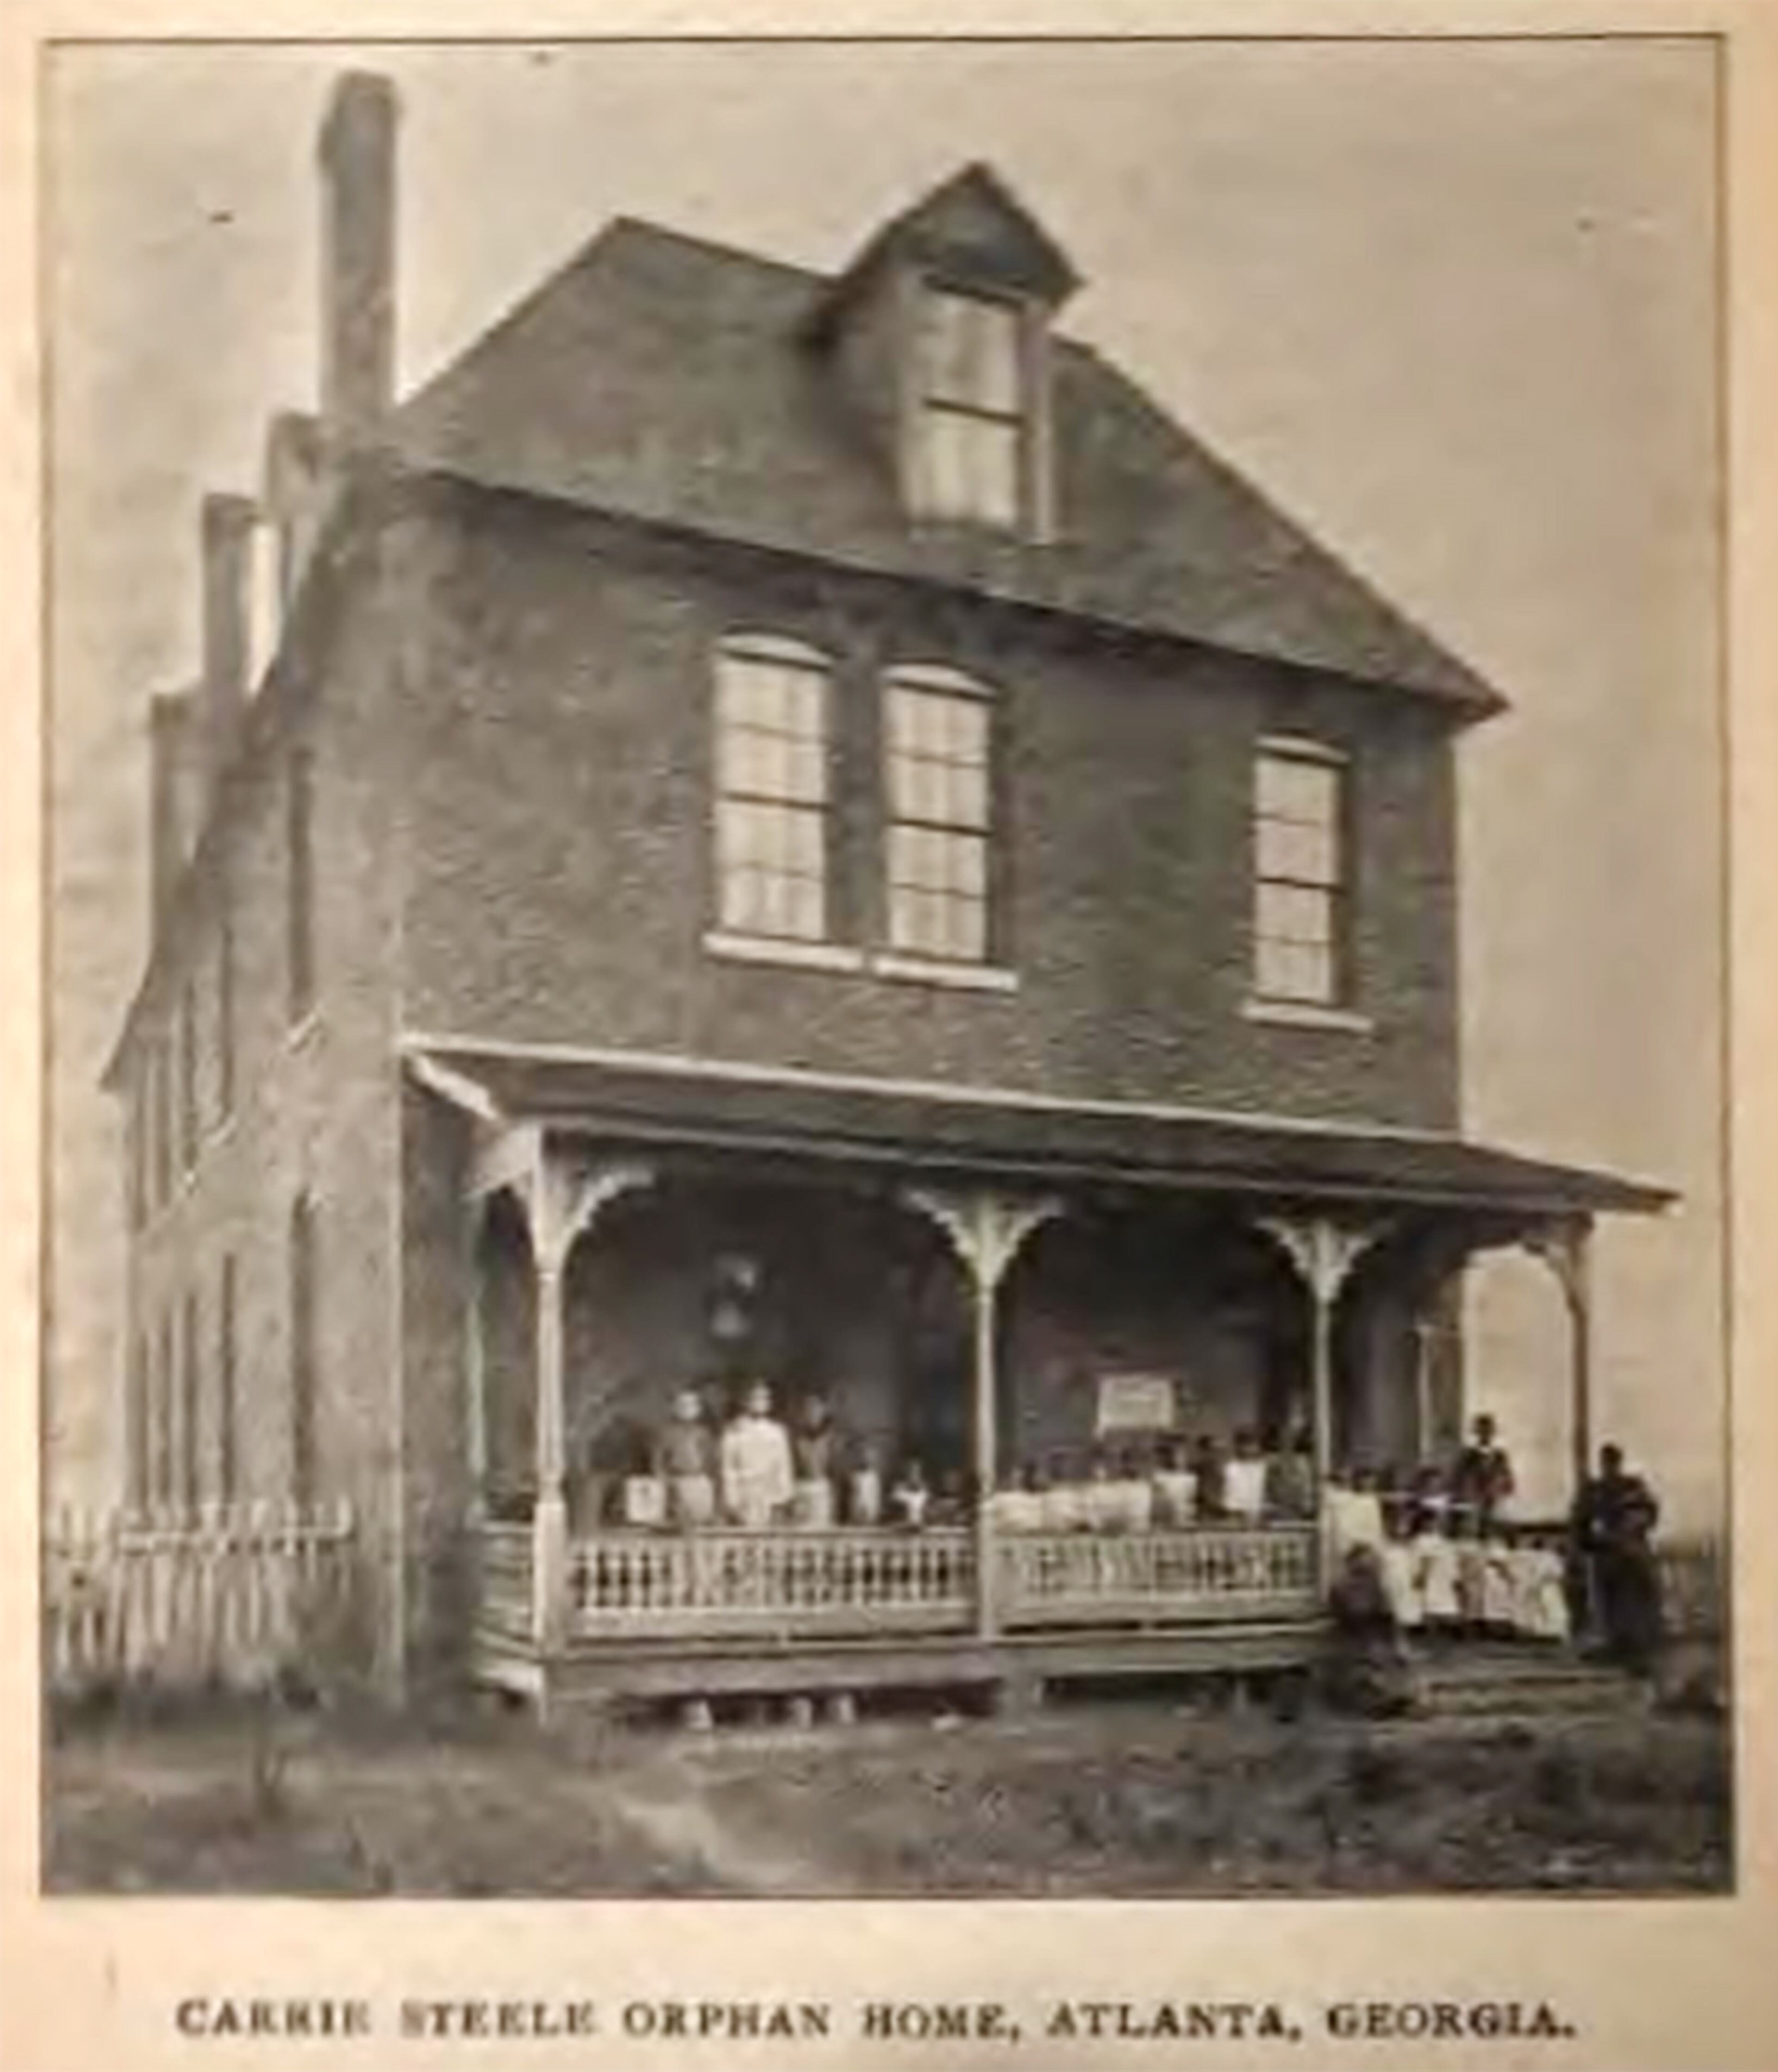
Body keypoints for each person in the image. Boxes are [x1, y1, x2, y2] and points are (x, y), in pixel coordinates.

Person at [1571, 1442, 1664, 1672]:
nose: (1610, 1467)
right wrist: (1591, 1541)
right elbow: (1579, 1520)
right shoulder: (1593, 1489)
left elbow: (1649, 1511)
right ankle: (1616, 1643)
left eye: (1613, 1462)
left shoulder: (1632, 1486)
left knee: (1636, 1599)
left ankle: (1638, 1646)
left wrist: (1632, 1528)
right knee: (1609, 1601)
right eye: (1606, 1462)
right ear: (1602, 1464)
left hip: (1632, 1552)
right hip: (1607, 1554)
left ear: (1619, 1463)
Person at [719, 1380, 794, 1529]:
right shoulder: (734, 1432)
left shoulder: (777, 1432)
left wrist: (782, 1497)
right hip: (744, 1493)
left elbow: (783, 1466)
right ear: (746, 1401)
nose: (760, 1403)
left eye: (764, 1398)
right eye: (755, 1398)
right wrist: (732, 1500)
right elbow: (728, 1469)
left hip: (769, 1493)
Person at [652, 1385, 717, 1529]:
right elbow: (658, 1461)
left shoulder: (704, 1434)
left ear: (699, 1409)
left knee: (701, 1522)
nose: (687, 1409)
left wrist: (708, 1481)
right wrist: (665, 1482)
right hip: (676, 1482)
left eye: (691, 1405)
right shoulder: (666, 1433)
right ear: (675, 1409)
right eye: (682, 1405)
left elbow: (712, 1462)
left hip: (700, 1482)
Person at [1451, 1412, 1516, 1533]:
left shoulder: (1499, 1456)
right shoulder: (1469, 1455)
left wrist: (1505, 1489)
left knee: (1492, 1524)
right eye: (1481, 1431)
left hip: (1492, 1499)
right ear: (1477, 1433)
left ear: (1492, 1433)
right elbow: (1458, 1477)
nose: (1485, 1435)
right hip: (1474, 1500)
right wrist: (1463, 1494)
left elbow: (1506, 1476)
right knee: (1474, 1525)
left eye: (1488, 1431)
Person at [790, 1391, 841, 1529]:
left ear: (824, 1411)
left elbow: (836, 1472)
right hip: (801, 1489)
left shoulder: (832, 1438)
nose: (812, 1413)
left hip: (823, 1489)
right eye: (808, 1408)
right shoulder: (795, 1438)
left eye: (816, 1408)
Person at [1264, 1426, 1317, 1521]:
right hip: (1279, 1511)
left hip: (1297, 1511)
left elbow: (1306, 1488)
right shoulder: (1273, 1462)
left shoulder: (1302, 1463)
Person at [1222, 1427, 1269, 1525]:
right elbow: (1229, 1498)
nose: (1250, 1449)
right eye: (1246, 1445)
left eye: (1254, 1444)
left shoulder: (1264, 1468)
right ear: (1239, 1446)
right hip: (1236, 1518)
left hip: (1261, 1517)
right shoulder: (1232, 1469)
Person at [1151, 1438, 1197, 1529]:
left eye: (1181, 1454)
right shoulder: (1158, 1477)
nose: (1178, 1458)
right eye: (1174, 1454)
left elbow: (1192, 1501)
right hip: (1167, 1524)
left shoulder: (1191, 1478)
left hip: (1186, 1522)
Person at [889, 1456, 931, 1531]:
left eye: (917, 1472)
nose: (915, 1475)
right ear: (906, 1473)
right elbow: (891, 1517)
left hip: (921, 1531)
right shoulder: (898, 1493)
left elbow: (929, 1514)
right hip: (901, 1532)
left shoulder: (924, 1493)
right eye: (912, 1472)